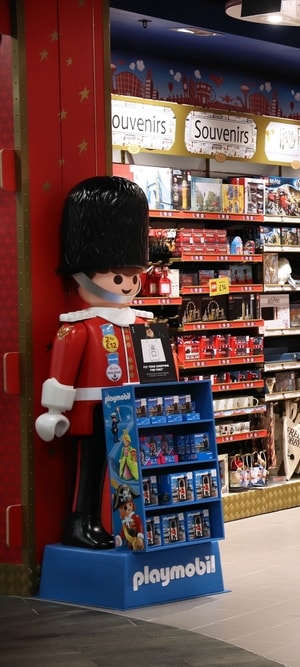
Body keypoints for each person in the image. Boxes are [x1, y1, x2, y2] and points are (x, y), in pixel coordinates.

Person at [34, 175, 153, 550]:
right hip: (93, 409)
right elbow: (62, 370)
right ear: (83, 273)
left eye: (132, 276)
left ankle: (123, 522)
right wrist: (54, 410)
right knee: (92, 467)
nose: (127, 285)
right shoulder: (78, 327)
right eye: (118, 277)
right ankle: (82, 521)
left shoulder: (141, 323)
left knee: (129, 469)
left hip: (131, 405)